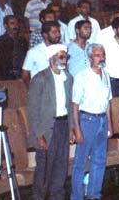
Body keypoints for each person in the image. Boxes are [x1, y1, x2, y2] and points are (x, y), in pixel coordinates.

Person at [28, 44, 73, 200]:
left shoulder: (68, 77)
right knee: (44, 171)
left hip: (63, 126)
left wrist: (72, 128)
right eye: (61, 56)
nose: (64, 60)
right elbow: (33, 111)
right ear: (51, 58)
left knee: (61, 168)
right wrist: (39, 135)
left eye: (65, 57)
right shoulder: (40, 79)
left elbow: (70, 106)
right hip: (47, 129)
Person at [71, 43, 113, 200]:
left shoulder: (106, 75)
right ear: (89, 58)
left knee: (99, 160)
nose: (101, 58)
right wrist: (77, 129)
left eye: (102, 55)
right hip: (87, 120)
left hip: (102, 120)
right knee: (80, 163)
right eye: (97, 55)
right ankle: (77, 196)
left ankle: (94, 195)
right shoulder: (81, 76)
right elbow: (74, 104)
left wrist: (110, 123)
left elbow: (108, 102)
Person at [21, 21, 61, 87]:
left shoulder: (61, 49)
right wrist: (32, 90)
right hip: (41, 89)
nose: (58, 35)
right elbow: (25, 75)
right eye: (54, 32)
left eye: (59, 32)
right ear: (45, 35)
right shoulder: (33, 52)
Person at [0, 15, 28, 80]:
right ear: (5, 26)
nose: (15, 26)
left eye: (17, 23)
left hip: (21, 75)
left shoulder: (22, 41)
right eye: (12, 23)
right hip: (6, 77)